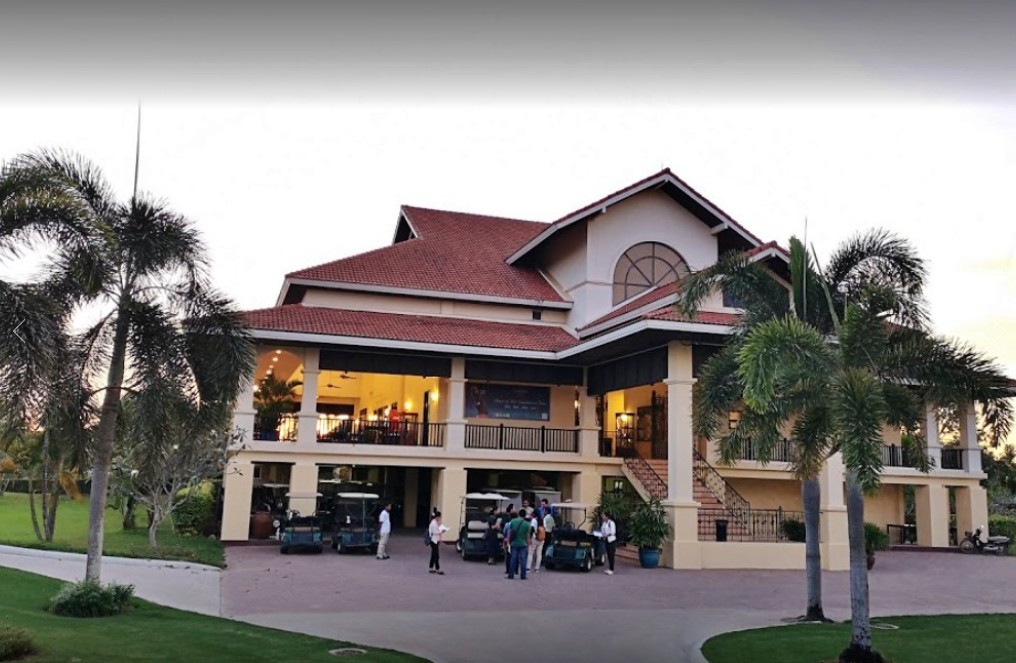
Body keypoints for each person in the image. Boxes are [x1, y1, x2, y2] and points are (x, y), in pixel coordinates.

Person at [507, 508, 532, 580]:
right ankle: (523, 575)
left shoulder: (513, 521)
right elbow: (527, 536)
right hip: (523, 544)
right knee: (523, 560)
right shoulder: (527, 524)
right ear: (525, 515)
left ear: (519, 514)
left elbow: (510, 532)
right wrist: (528, 545)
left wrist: (508, 541)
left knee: (513, 559)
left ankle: (511, 575)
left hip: (514, 543)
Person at [600, 510, 617, 575]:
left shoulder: (611, 523)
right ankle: (609, 568)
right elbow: (602, 530)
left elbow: (613, 532)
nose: (602, 517)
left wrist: (606, 535)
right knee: (608, 555)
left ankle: (611, 569)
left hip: (611, 540)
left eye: (603, 515)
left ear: (607, 516)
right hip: (606, 540)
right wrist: (601, 534)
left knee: (611, 554)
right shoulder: (604, 523)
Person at [428, 510, 444, 575]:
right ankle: (438, 569)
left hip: (435, 540)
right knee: (436, 555)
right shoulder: (434, 523)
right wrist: (441, 531)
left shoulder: (434, 522)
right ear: (437, 517)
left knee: (433, 555)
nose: (440, 518)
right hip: (434, 541)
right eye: (439, 517)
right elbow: (435, 532)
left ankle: (431, 568)